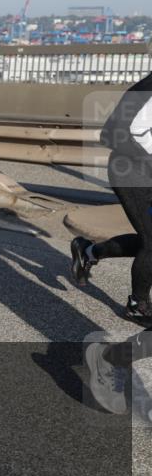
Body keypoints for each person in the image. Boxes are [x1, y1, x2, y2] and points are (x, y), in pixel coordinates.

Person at [71, 71, 152, 326]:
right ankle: (138, 306)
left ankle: (89, 251)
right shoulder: (145, 90)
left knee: (147, 239)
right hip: (131, 174)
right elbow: (111, 133)